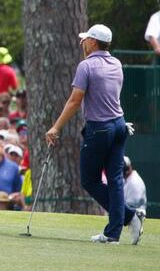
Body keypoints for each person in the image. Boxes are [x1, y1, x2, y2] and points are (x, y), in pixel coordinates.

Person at [46, 24, 144, 245]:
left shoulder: (86, 65)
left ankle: (127, 217)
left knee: (89, 179)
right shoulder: (116, 63)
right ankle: (114, 231)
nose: (82, 42)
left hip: (100, 128)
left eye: (85, 39)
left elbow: (75, 100)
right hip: (119, 125)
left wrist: (56, 127)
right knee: (115, 180)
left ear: (92, 42)